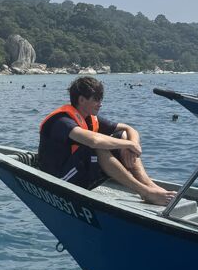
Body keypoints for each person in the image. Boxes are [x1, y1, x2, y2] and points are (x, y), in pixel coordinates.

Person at [38, 77, 176, 206]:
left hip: (79, 173)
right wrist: (129, 144)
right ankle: (145, 192)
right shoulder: (62, 121)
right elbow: (94, 141)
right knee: (98, 146)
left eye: (101, 99)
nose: (101, 104)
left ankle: (149, 185)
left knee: (122, 136)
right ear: (81, 100)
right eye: (96, 99)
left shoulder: (89, 117)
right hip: (58, 179)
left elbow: (129, 129)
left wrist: (130, 146)